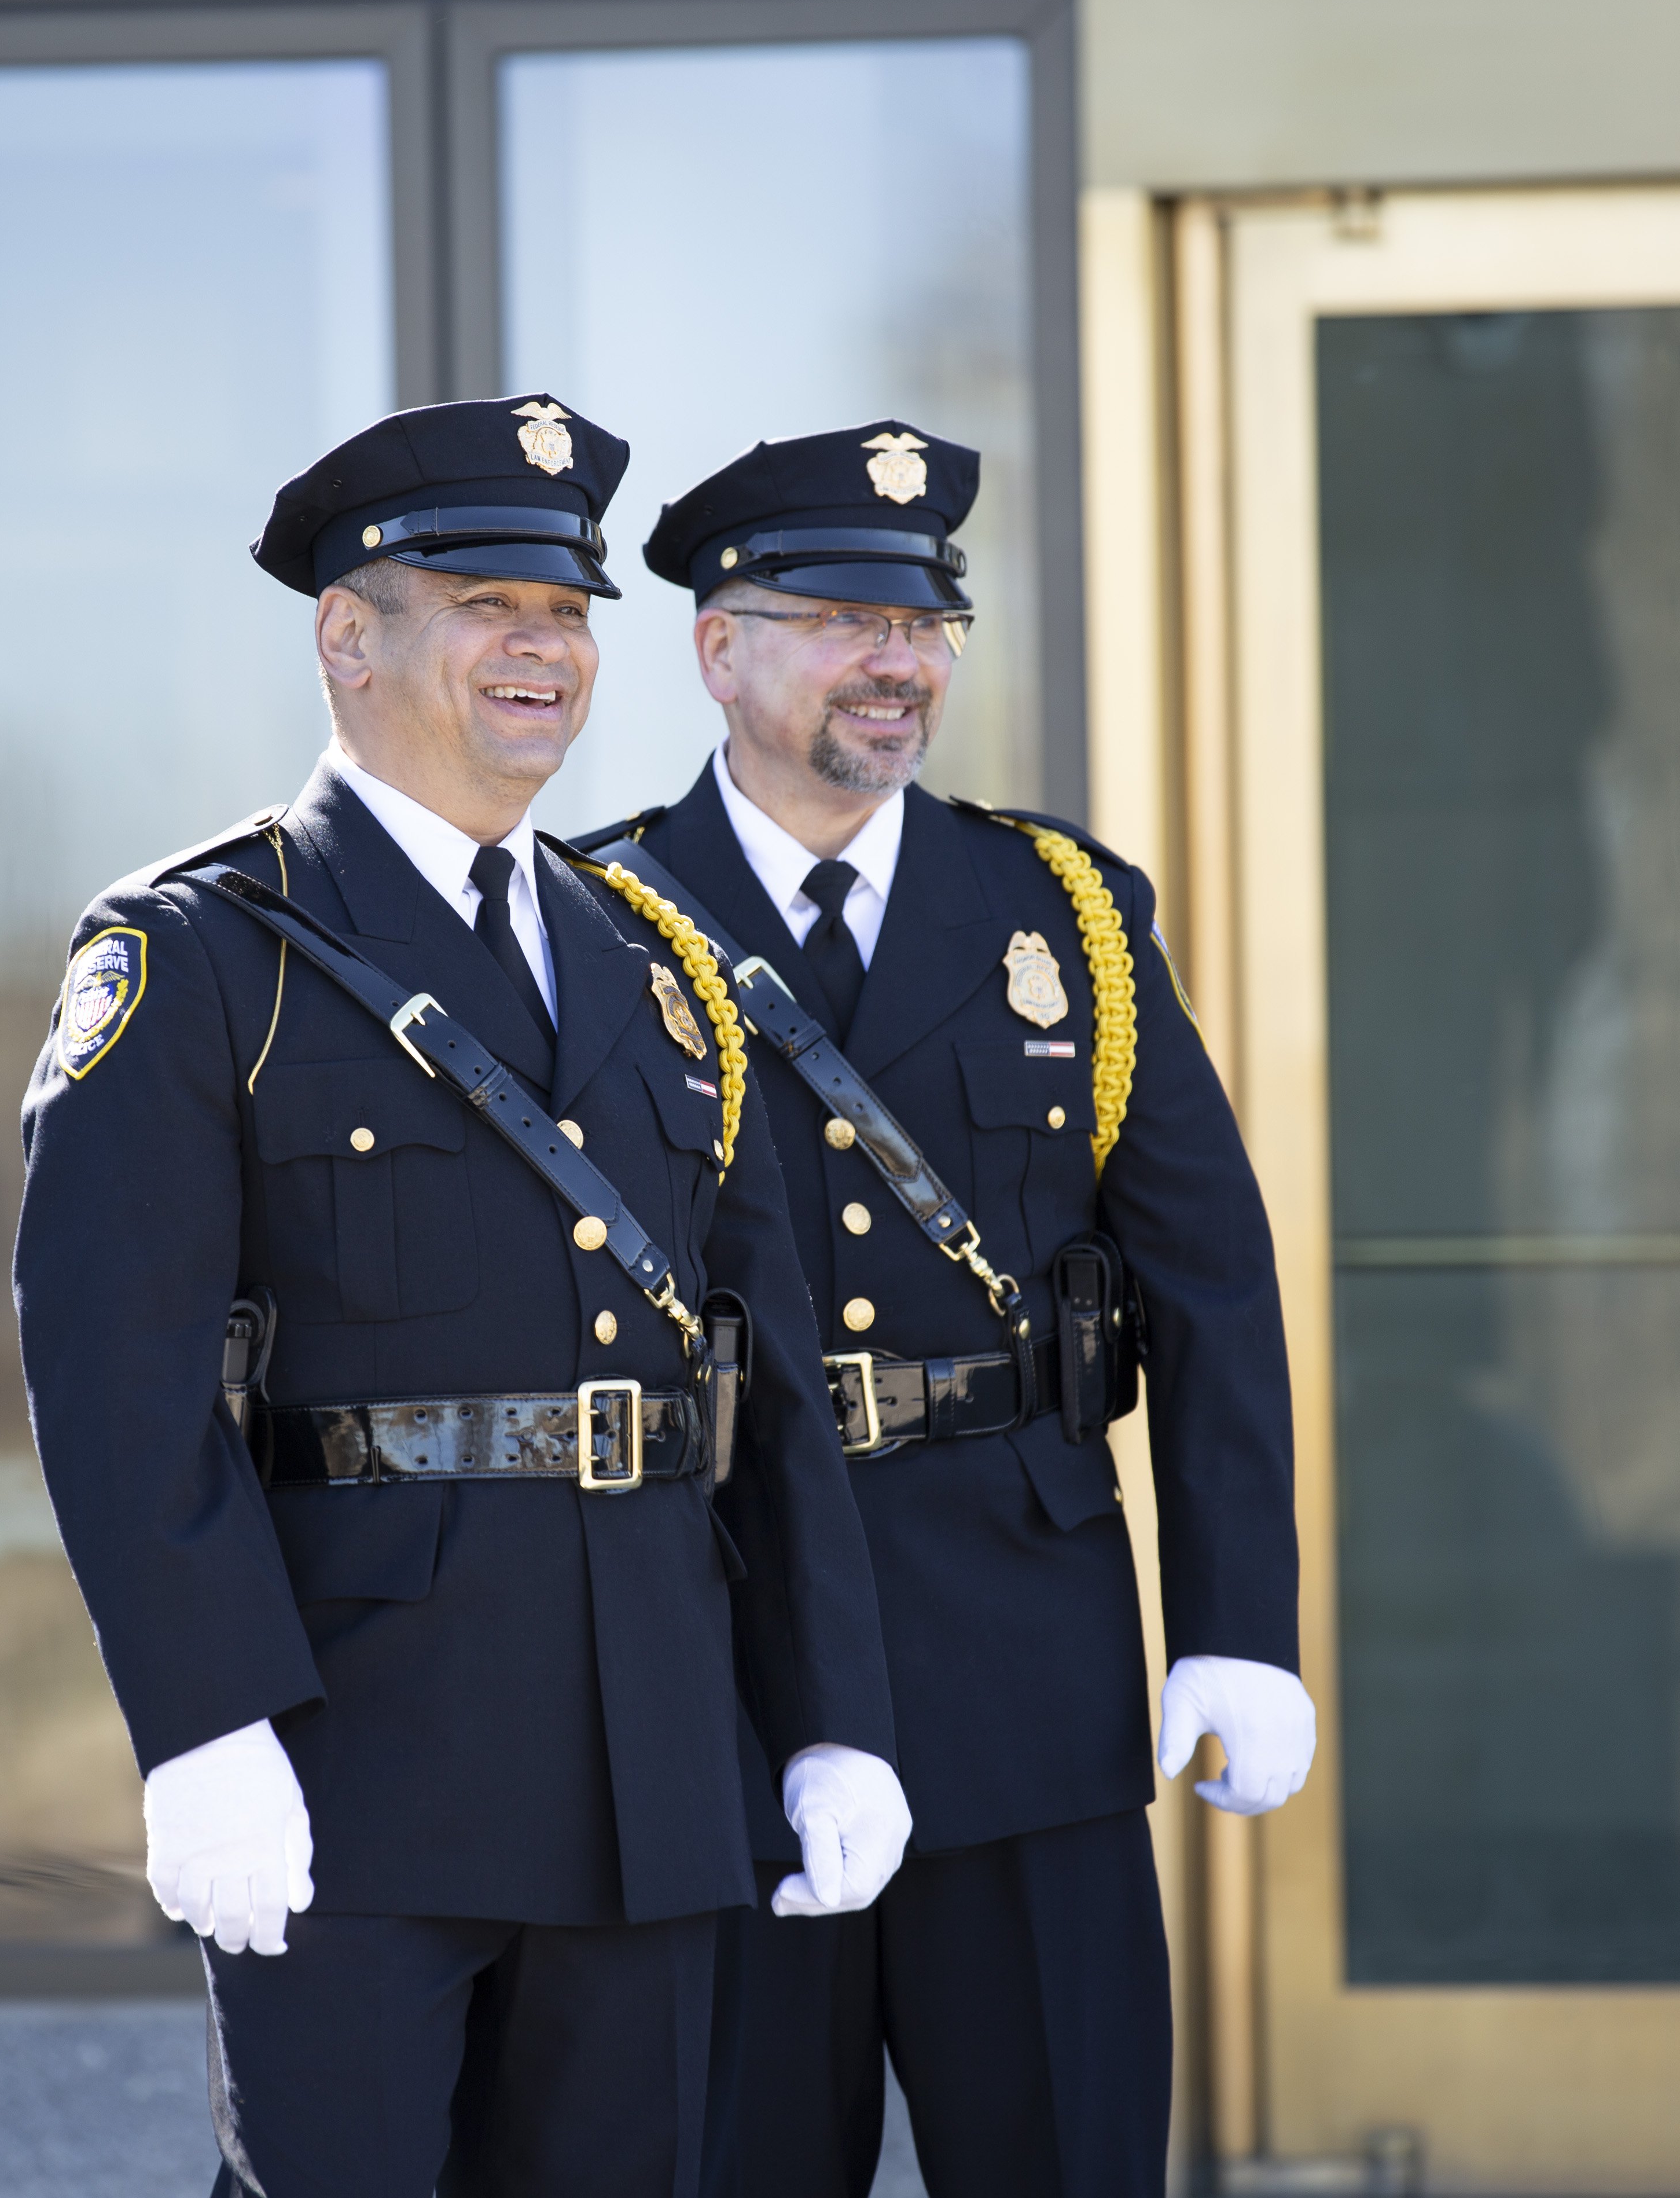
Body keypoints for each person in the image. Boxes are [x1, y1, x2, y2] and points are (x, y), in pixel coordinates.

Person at [11, 394, 914, 2198]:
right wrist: (204, 1723)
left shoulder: (657, 964)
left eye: (570, 612)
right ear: (350, 635)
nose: (543, 648)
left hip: (648, 1760)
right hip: (362, 1762)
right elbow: (119, 1380)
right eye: (490, 600)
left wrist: (832, 1710)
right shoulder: (201, 952)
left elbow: (761, 1376)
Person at [574, 421, 1310, 2197]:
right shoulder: (597, 923)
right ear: (719, 647)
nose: (897, 658)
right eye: (841, 616)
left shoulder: (1062, 912)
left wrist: (1240, 1622)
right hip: (721, 1661)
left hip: (1021, 1654)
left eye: (925, 618)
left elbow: (1211, 1278)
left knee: (1062, 2153)